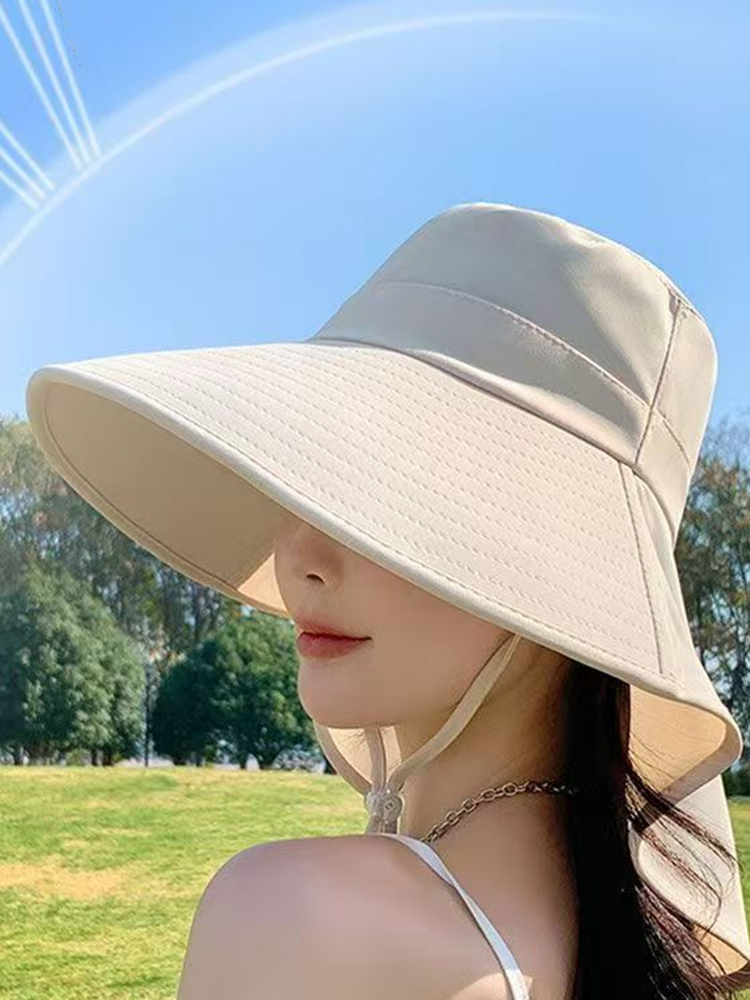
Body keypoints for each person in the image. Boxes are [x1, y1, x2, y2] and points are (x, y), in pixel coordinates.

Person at [25, 201, 750, 998]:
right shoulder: (609, 927)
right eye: (306, 486)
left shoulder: (300, 918)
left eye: (390, 499)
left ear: (560, 567)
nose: (298, 555)